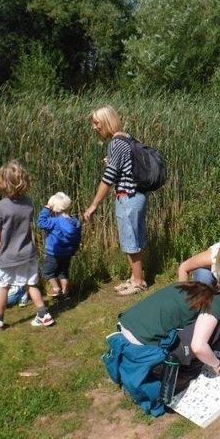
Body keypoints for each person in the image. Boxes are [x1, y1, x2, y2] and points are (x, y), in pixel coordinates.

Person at [102, 278, 220, 417]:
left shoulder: (198, 288)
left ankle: (132, 373)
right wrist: (218, 364)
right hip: (140, 344)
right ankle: (154, 381)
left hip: (125, 327)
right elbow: (198, 346)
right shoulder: (216, 302)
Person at [0, 160, 55, 331]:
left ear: (3, 183)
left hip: (8, 256)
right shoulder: (28, 203)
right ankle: (44, 314)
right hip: (28, 253)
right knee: (31, 284)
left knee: (3, 287)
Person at [83, 105, 148, 296]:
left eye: (97, 123)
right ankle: (135, 277)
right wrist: (111, 163)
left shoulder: (115, 143)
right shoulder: (128, 138)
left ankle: (138, 282)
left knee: (130, 239)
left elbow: (108, 178)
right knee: (136, 237)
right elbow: (125, 167)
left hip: (127, 197)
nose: (94, 127)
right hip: (138, 195)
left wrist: (94, 205)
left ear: (106, 121)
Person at [37, 191, 82, 299]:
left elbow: (41, 222)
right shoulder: (75, 221)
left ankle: (56, 289)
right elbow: (77, 238)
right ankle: (65, 292)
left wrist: (46, 208)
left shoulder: (54, 221)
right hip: (67, 254)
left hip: (53, 254)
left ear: (54, 207)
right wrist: (73, 250)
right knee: (63, 272)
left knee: (47, 272)